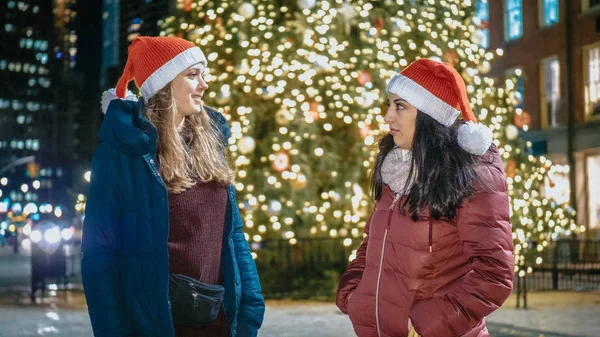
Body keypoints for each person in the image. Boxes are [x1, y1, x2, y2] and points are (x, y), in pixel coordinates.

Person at [81, 36, 265, 337]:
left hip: (219, 320)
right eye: (192, 75)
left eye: (203, 74)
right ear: (164, 84)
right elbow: (99, 255)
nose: (204, 84)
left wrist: (251, 307)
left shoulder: (211, 143)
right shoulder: (122, 152)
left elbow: (232, 235)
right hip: (155, 324)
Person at [336, 59, 514, 337]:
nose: (387, 116)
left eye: (400, 106)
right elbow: (374, 243)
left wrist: (426, 325)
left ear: (430, 116)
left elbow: (494, 275)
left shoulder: (472, 175)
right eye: (389, 104)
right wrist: (354, 293)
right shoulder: (396, 168)